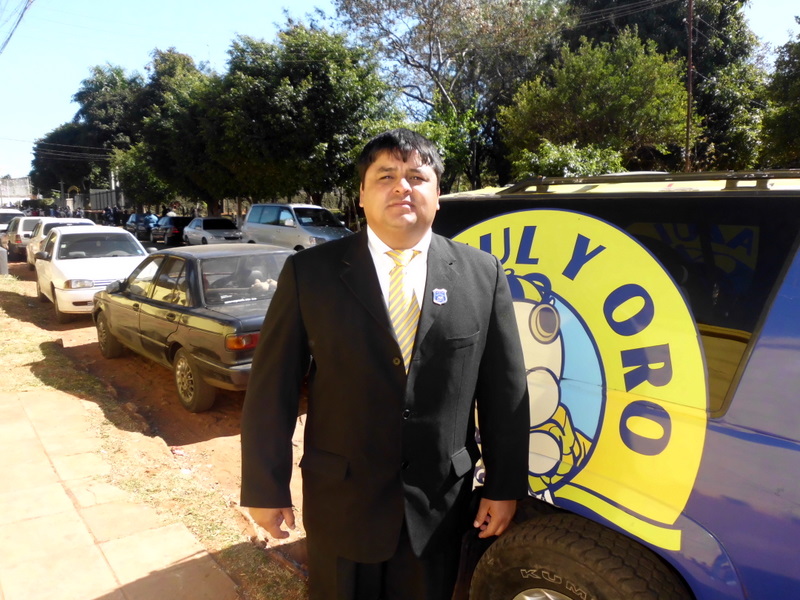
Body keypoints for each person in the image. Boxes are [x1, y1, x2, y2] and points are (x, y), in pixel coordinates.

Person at [240, 128, 529, 600]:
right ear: (361, 194)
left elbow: (505, 392)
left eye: (417, 176)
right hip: (341, 502)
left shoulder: (482, 274)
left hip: (437, 507)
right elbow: (272, 388)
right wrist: (265, 487)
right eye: (386, 176)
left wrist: (504, 484)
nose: (402, 187)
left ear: (438, 192)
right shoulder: (310, 273)